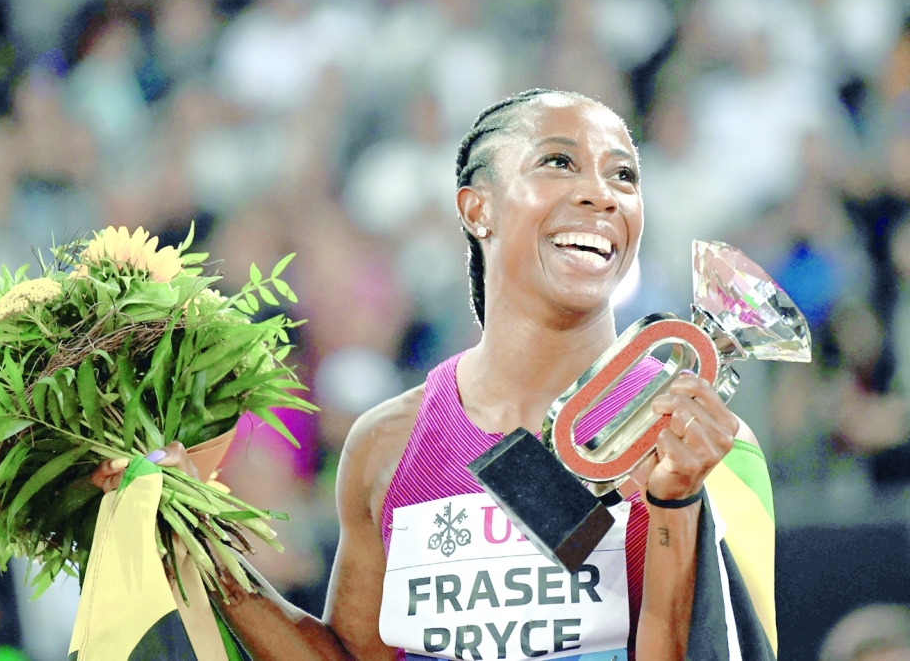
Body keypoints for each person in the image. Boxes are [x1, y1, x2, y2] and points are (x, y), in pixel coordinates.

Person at [95, 89, 767, 660]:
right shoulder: (385, 446)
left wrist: (675, 504)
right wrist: (198, 545)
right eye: (559, 162)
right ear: (477, 208)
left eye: (623, 176)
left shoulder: (701, 444)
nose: (600, 194)